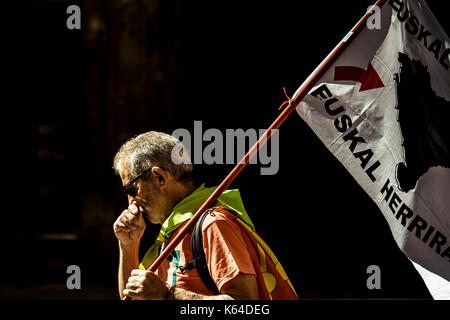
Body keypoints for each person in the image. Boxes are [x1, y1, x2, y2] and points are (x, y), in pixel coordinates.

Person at [113, 131, 297, 300]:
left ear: (159, 178)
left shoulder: (213, 224)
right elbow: (132, 297)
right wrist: (128, 245)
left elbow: (244, 304)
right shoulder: (172, 234)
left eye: (132, 189)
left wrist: (168, 295)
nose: (131, 202)